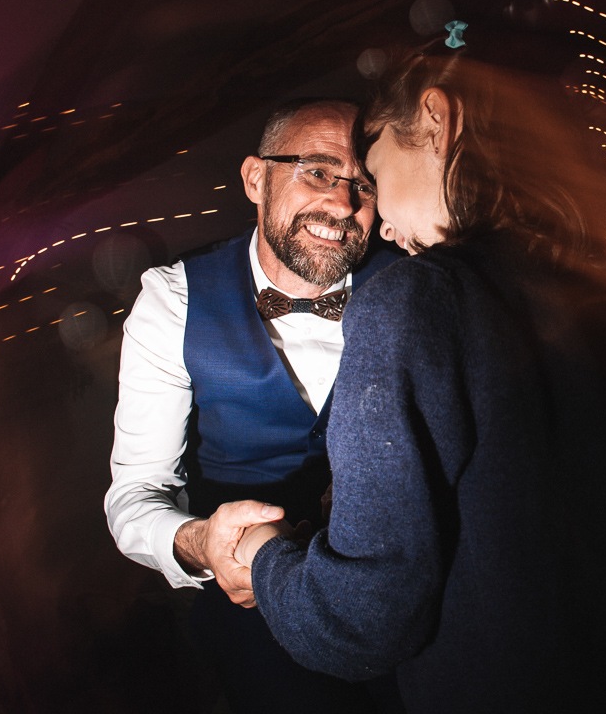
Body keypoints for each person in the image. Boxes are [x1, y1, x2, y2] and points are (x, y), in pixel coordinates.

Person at [237, 42, 606, 712]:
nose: (379, 225)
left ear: (436, 121)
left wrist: (265, 556)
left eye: (374, 176)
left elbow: (358, 623)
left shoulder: (411, 299)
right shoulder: (584, 291)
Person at [105, 99, 397, 712]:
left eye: (365, 184)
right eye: (317, 172)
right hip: (256, 611)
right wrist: (201, 541)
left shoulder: (414, 281)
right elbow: (135, 497)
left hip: (402, 581)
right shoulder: (174, 302)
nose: (343, 204)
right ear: (256, 178)